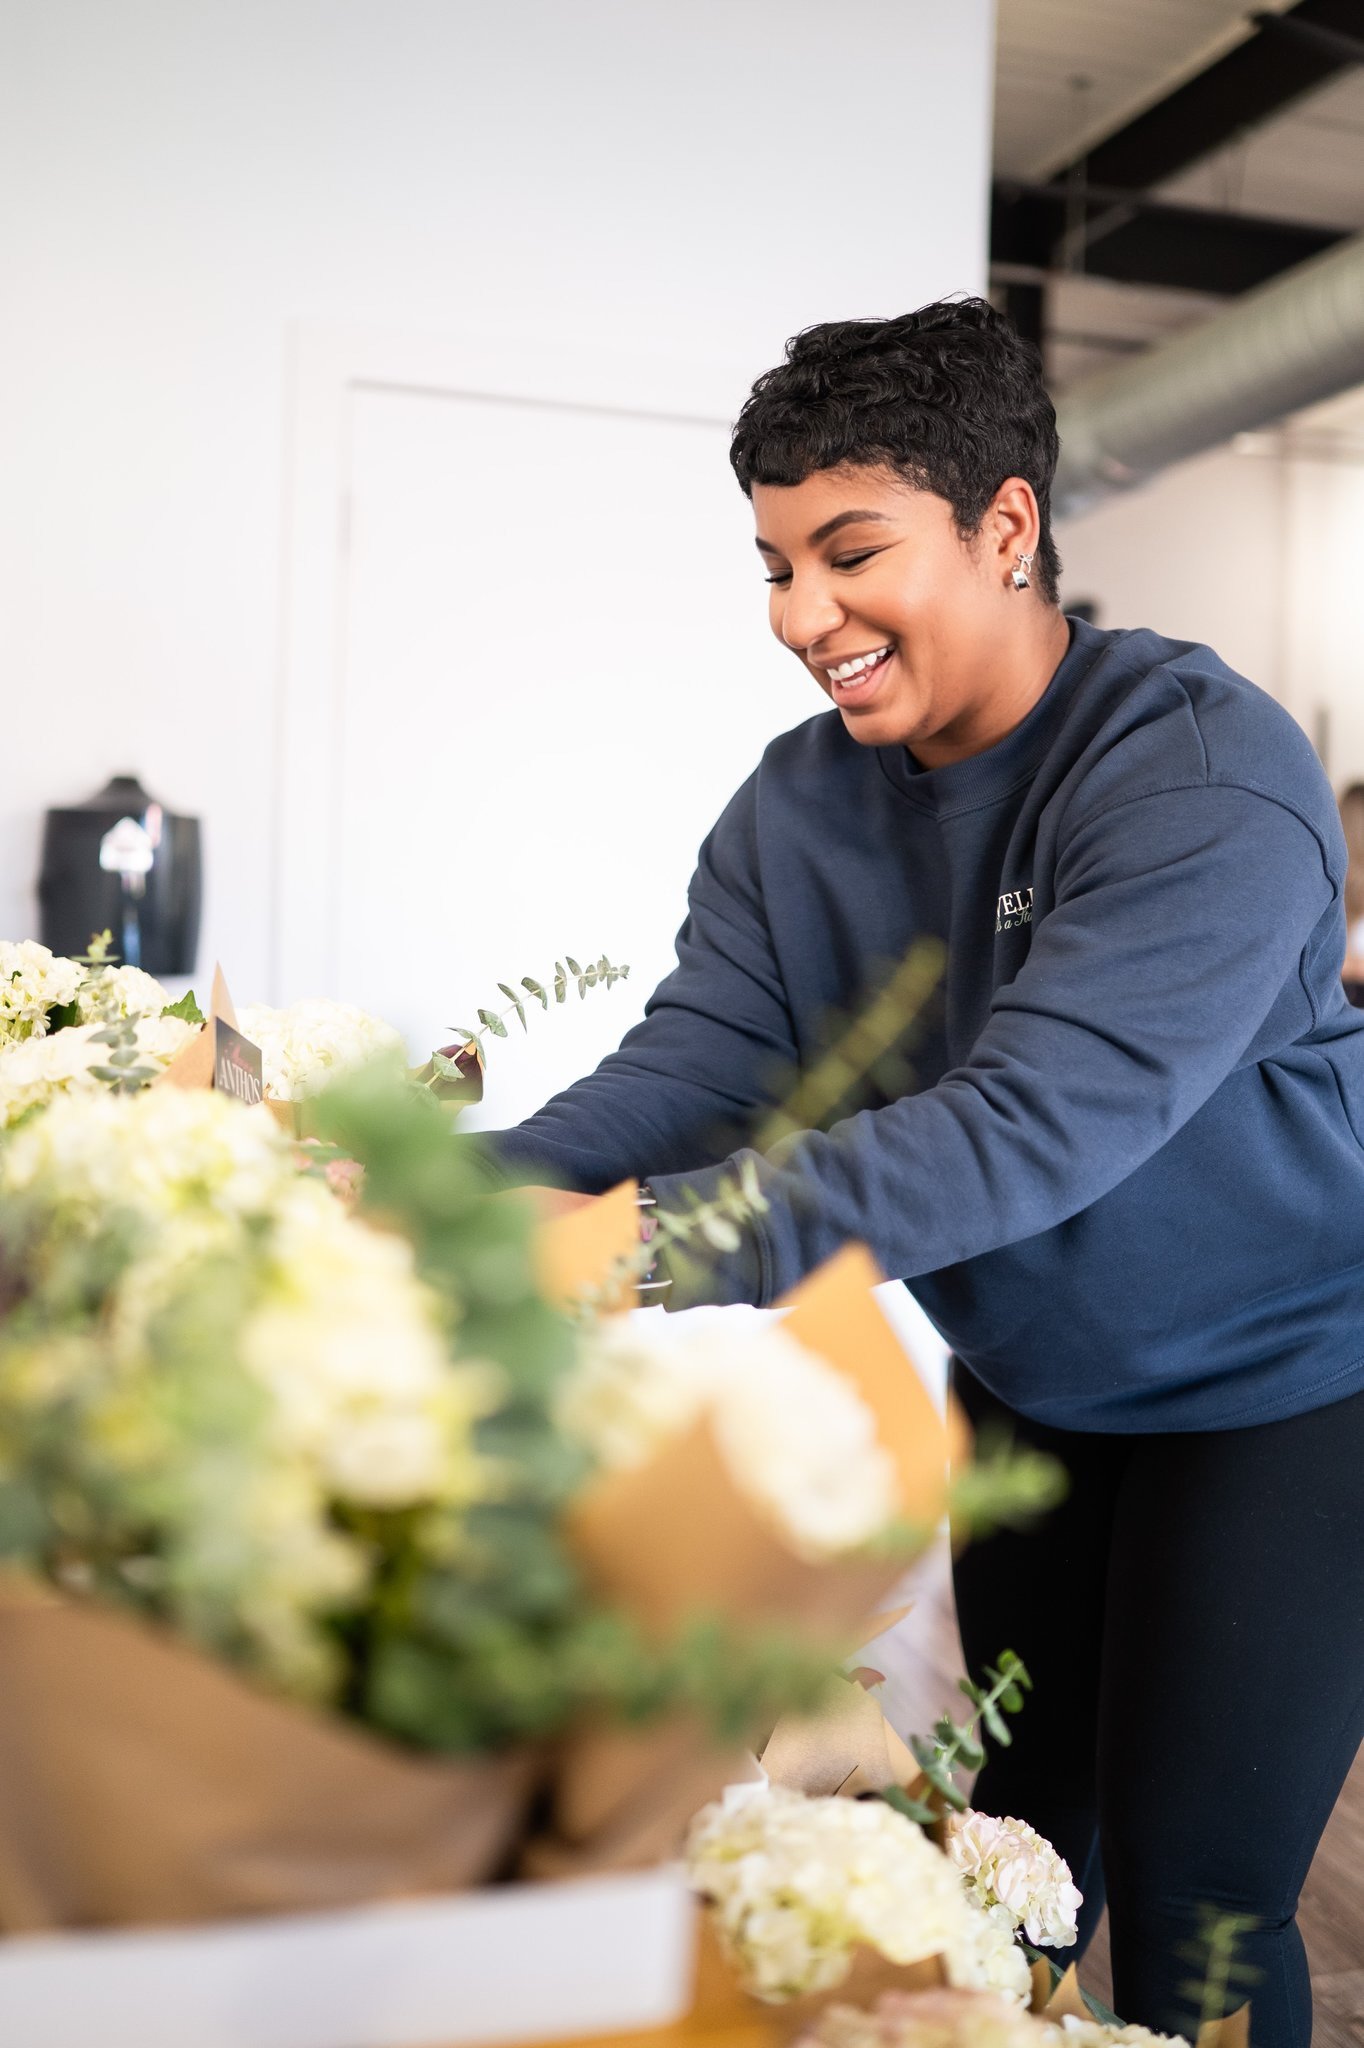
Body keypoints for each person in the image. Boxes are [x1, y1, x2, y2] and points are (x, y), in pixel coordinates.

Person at [489, 299, 1364, 2046]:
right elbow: (706, 1064)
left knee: (1204, 1906)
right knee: (1007, 1862)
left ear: (1009, 526)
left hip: (1287, 1392)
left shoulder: (1196, 773)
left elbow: (1027, 1129)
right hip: (1043, 1389)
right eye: (772, 565)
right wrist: (466, 1200)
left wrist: (626, 1253)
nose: (802, 616)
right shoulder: (797, 808)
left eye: (849, 551)